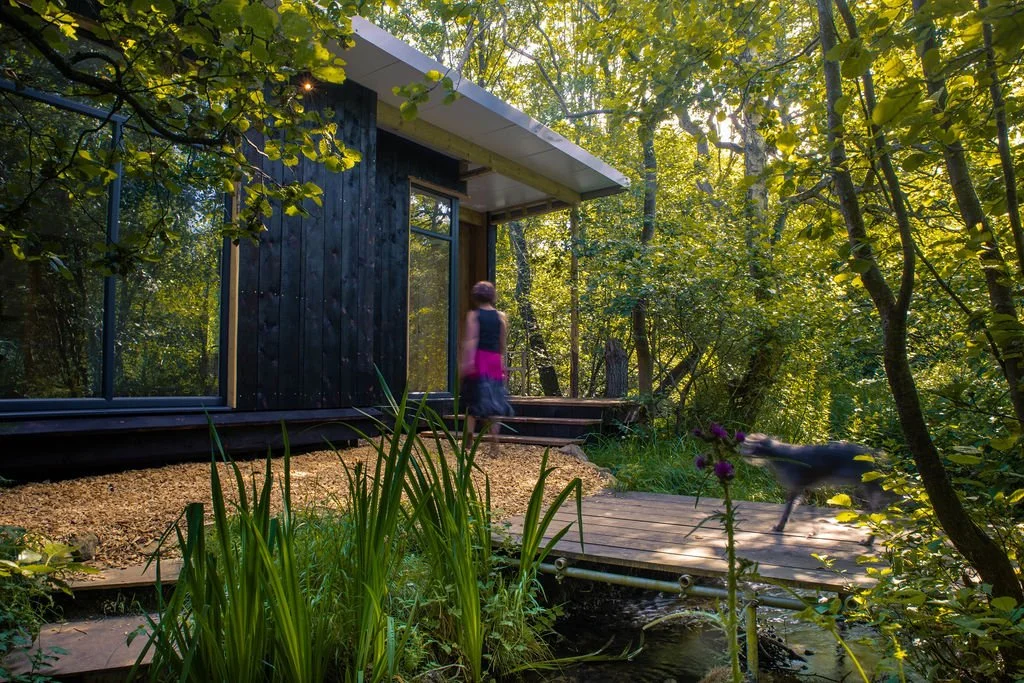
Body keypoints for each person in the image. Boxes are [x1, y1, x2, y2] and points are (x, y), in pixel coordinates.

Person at [460, 281, 514, 456]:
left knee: (472, 401)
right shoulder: (501, 317)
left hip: (479, 359)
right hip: (494, 361)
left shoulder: (474, 316)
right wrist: (502, 364)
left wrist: (466, 363)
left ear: (475, 296)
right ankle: (494, 444)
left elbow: (471, 340)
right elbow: (502, 344)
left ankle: (468, 442)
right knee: (494, 404)